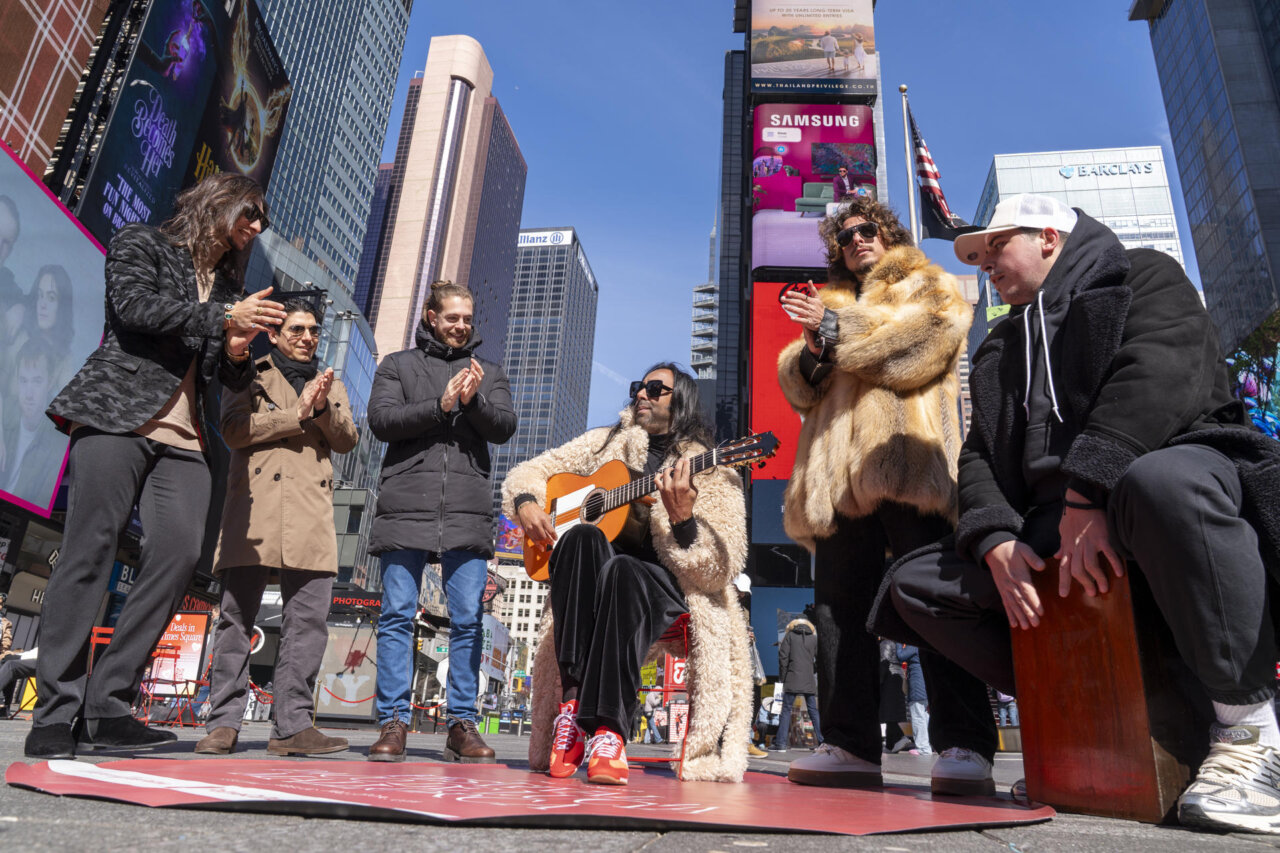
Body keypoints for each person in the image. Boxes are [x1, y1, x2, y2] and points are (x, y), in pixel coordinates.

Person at [885, 194, 1280, 832]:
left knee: (1160, 483)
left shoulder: (1141, 274)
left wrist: (1087, 493)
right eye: (978, 256)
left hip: (1166, 469)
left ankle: (1252, 735)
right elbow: (979, 454)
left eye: (995, 246)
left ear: (1047, 236)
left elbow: (1155, 378)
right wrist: (994, 539)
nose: (986, 262)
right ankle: (1094, 717)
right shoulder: (1001, 344)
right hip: (1050, 522)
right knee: (917, 583)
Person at [27, 172, 284, 760]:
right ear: (218, 203)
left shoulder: (226, 287)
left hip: (187, 438)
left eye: (260, 222)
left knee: (176, 555)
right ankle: (55, 709)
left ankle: (106, 704)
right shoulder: (139, 242)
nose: (255, 228)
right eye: (250, 214)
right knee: (90, 551)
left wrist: (238, 353)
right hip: (117, 415)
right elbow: (137, 311)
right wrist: (222, 322)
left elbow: (220, 369)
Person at [776, 196, 972, 788]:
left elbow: (925, 343)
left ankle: (965, 743)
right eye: (844, 236)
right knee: (838, 610)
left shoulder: (927, 282)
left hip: (908, 465)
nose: (855, 241)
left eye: (866, 230)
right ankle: (850, 746)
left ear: (888, 234)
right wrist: (812, 348)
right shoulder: (829, 303)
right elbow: (798, 386)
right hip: (836, 482)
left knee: (935, 602)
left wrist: (835, 332)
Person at [505, 363, 751, 785]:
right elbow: (531, 471)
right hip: (593, 583)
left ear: (683, 401)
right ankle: (573, 706)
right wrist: (527, 501)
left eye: (657, 389)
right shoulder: (604, 444)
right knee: (581, 538)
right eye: (639, 386)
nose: (642, 394)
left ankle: (608, 732)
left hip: (667, 590)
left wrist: (684, 521)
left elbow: (721, 567)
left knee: (623, 569)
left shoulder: (711, 468)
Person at [195, 298, 358, 757]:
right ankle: (223, 723)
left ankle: (293, 727)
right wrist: (297, 415)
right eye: (297, 329)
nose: (307, 338)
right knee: (235, 619)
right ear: (275, 333)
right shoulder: (246, 370)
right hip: (255, 508)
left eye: (313, 331)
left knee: (308, 623)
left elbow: (347, 439)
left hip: (310, 511)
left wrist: (322, 407)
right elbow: (232, 429)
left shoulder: (332, 383)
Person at [366, 279, 516, 763]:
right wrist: (441, 406)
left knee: (469, 621)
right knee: (396, 616)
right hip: (406, 502)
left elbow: (505, 428)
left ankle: (461, 725)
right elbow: (382, 421)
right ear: (431, 317)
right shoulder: (397, 365)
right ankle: (392, 722)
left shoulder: (488, 372)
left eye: (468, 319)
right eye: (453, 318)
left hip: (468, 511)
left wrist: (471, 401)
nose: (462, 326)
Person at [1, 338, 65, 504]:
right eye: (23, 381)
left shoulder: (58, 443)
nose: (28, 394)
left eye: (37, 381)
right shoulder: (6, 412)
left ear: (50, 382)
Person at [775, 611, 820, 753]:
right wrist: (812, 671)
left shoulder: (789, 636)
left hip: (792, 678)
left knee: (786, 710)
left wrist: (783, 677)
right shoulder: (814, 639)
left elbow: (783, 658)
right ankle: (822, 742)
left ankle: (781, 744)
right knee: (813, 710)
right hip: (808, 680)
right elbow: (820, 659)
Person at [899, 643, 932, 754]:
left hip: (917, 684)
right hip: (925, 684)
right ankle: (928, 745)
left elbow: (901, 656)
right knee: (925, 716)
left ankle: (923, 748)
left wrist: (898, 642)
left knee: (918, 717)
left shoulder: (913, 645)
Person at [0, 647, 37, 716]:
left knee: (10, 664)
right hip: (36, 657)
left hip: (46, 662)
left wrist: (19, 655)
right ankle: (5, 707)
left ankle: (4, 706)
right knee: (8, 660)